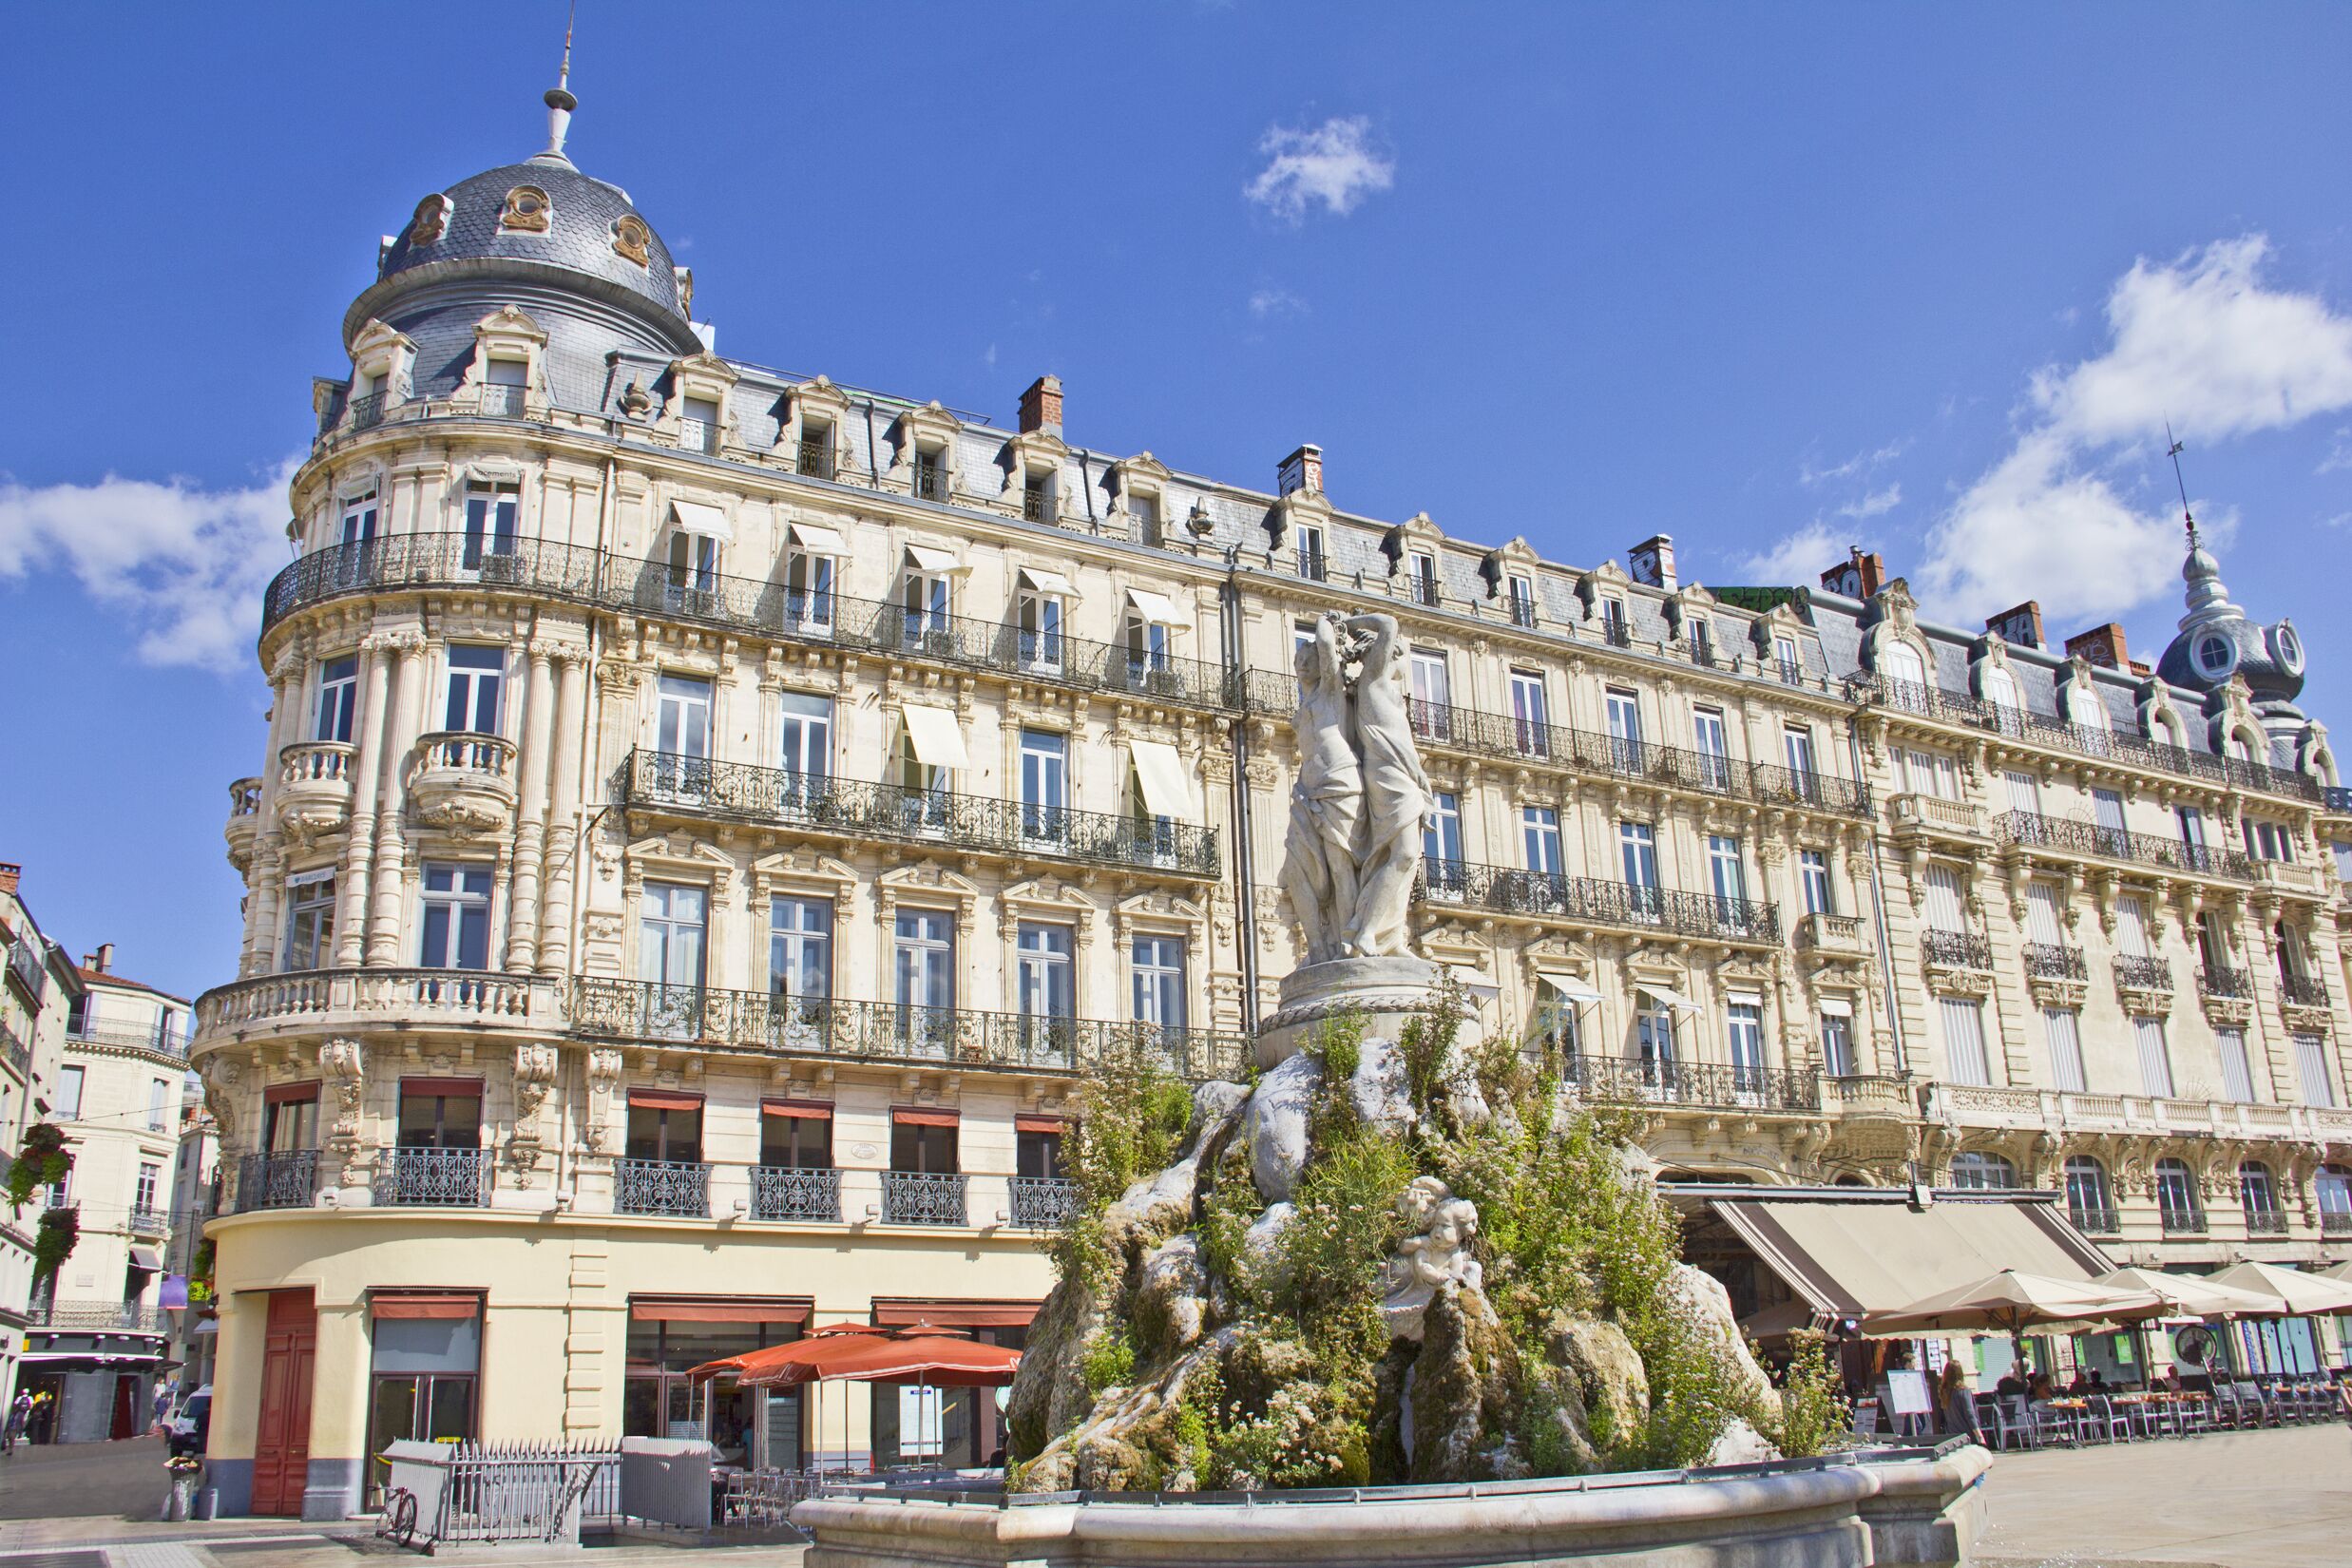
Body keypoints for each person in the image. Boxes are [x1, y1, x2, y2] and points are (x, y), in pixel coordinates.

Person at [1938, 1361, 1978, 1441]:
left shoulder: (1944, 1392)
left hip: (1951, 1435)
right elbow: (1970, 1414)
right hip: (1966, 1436)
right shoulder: (1963, 1391)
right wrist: (1979, 1434)